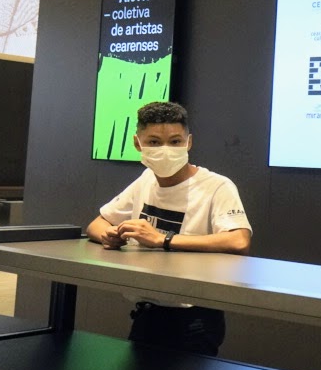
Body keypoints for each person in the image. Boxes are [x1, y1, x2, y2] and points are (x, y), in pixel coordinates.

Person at [84, 101, 252, 356]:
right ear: (137, 143)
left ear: (189, 142)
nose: (166, 150)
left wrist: (163, 239)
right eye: (154, 142)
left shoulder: (217, 186)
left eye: (175, 142)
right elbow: (97, 223)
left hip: (193, 315)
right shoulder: (146, 180)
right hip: (148, 309)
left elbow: (239, 240)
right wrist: (109, 236)